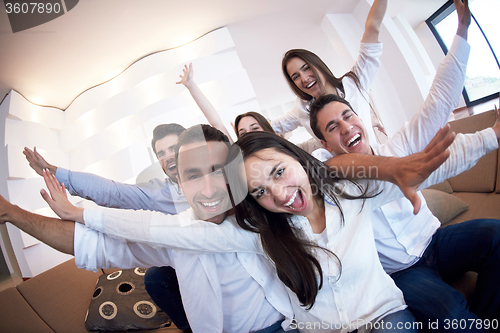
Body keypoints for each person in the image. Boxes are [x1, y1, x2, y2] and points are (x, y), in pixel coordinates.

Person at [42, 123, 465, 332]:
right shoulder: (243, 227)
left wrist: (487, 138)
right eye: (261, 190)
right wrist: (79, 211)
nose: (279, 194)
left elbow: (333, 166)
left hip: (380, 317)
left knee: (452, 313)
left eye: (280, 173)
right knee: (158, 277)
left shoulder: (331, 198)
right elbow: (152, 226)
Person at [5, 125, 300, 333]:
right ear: (179, 183)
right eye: (193, 176)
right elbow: (91, 243)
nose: (208, 189)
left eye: (217, 172)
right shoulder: (171, 229)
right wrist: (13, 213)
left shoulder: (265, 205)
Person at [24, 123, 192, 331]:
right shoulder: (159, 193)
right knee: (155, 277)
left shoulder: (217, 179)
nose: (167, 157)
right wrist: (52, 172)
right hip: (184, 265)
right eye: (160, 153)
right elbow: (113, 192)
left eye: (173, 149)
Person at [274, 0, 387, 149]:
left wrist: (369, 121)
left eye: (306, 68)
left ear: (318, 64)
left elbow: (372, 28)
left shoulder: (353, 82)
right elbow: (272, 127)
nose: (304, 78)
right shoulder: (302, 109)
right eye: (295, 76)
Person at [176, 64, 323, 154]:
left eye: (254, 128)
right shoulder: (241, 158)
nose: (250, 135)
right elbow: (216, 123)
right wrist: (190, 85)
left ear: (268, 130)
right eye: (243, 133)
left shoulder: (295, 151)